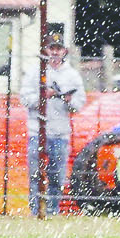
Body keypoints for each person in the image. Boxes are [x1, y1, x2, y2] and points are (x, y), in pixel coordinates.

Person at [31, 31, 86, 219]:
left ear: (65, 51)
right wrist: (42, 97)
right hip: (36, 132)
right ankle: (35, 210)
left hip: (60, 132)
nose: (55, 52)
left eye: (58, 48)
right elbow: (25, 98)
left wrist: (67, 99)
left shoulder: (72, 76)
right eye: (51, 48)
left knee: (56, 175)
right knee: (35, 174)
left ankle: (53, 211)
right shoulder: (35, 72)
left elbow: (78, 104)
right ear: (46, 50)